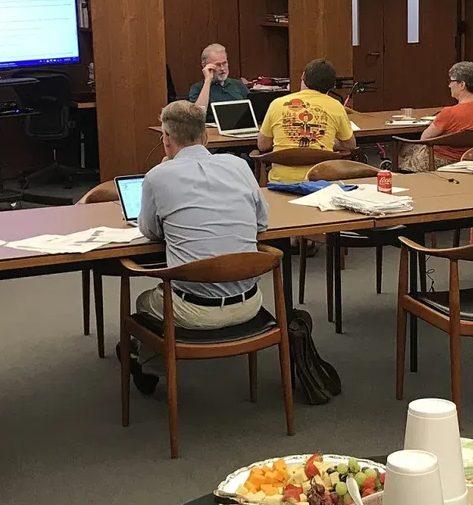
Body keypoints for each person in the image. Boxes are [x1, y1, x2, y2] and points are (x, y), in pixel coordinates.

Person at [137, 100, 269, 331]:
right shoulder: (239, 165)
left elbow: (151, 232)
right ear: (206, 136)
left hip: (193, 311)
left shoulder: (157, 176)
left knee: (143, 301)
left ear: (166, 137)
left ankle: (153, 367)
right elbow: (261, 222)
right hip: (251, 302)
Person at [256, 58, 355, 183]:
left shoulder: (277, 104)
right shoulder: (336, 106)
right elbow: (350, 145)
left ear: (303, 76)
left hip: (281, 184)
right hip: (321, 183)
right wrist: (330, 141)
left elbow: (263, 145)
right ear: (331, 86)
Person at [419, 60, 473, 166]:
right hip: (470, 162)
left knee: (403, 150)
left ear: (462, 85)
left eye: (451, 81)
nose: (449, 85)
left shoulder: (448, 113)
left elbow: (424, 138)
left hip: (439, 162)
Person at [187, 43, 249, 115]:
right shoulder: (198, 88)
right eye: (217, 65)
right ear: (205, 66)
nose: (222, 68)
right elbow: (198, 115)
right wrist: (207, 81)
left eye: (224, 63)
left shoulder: (238, 85)